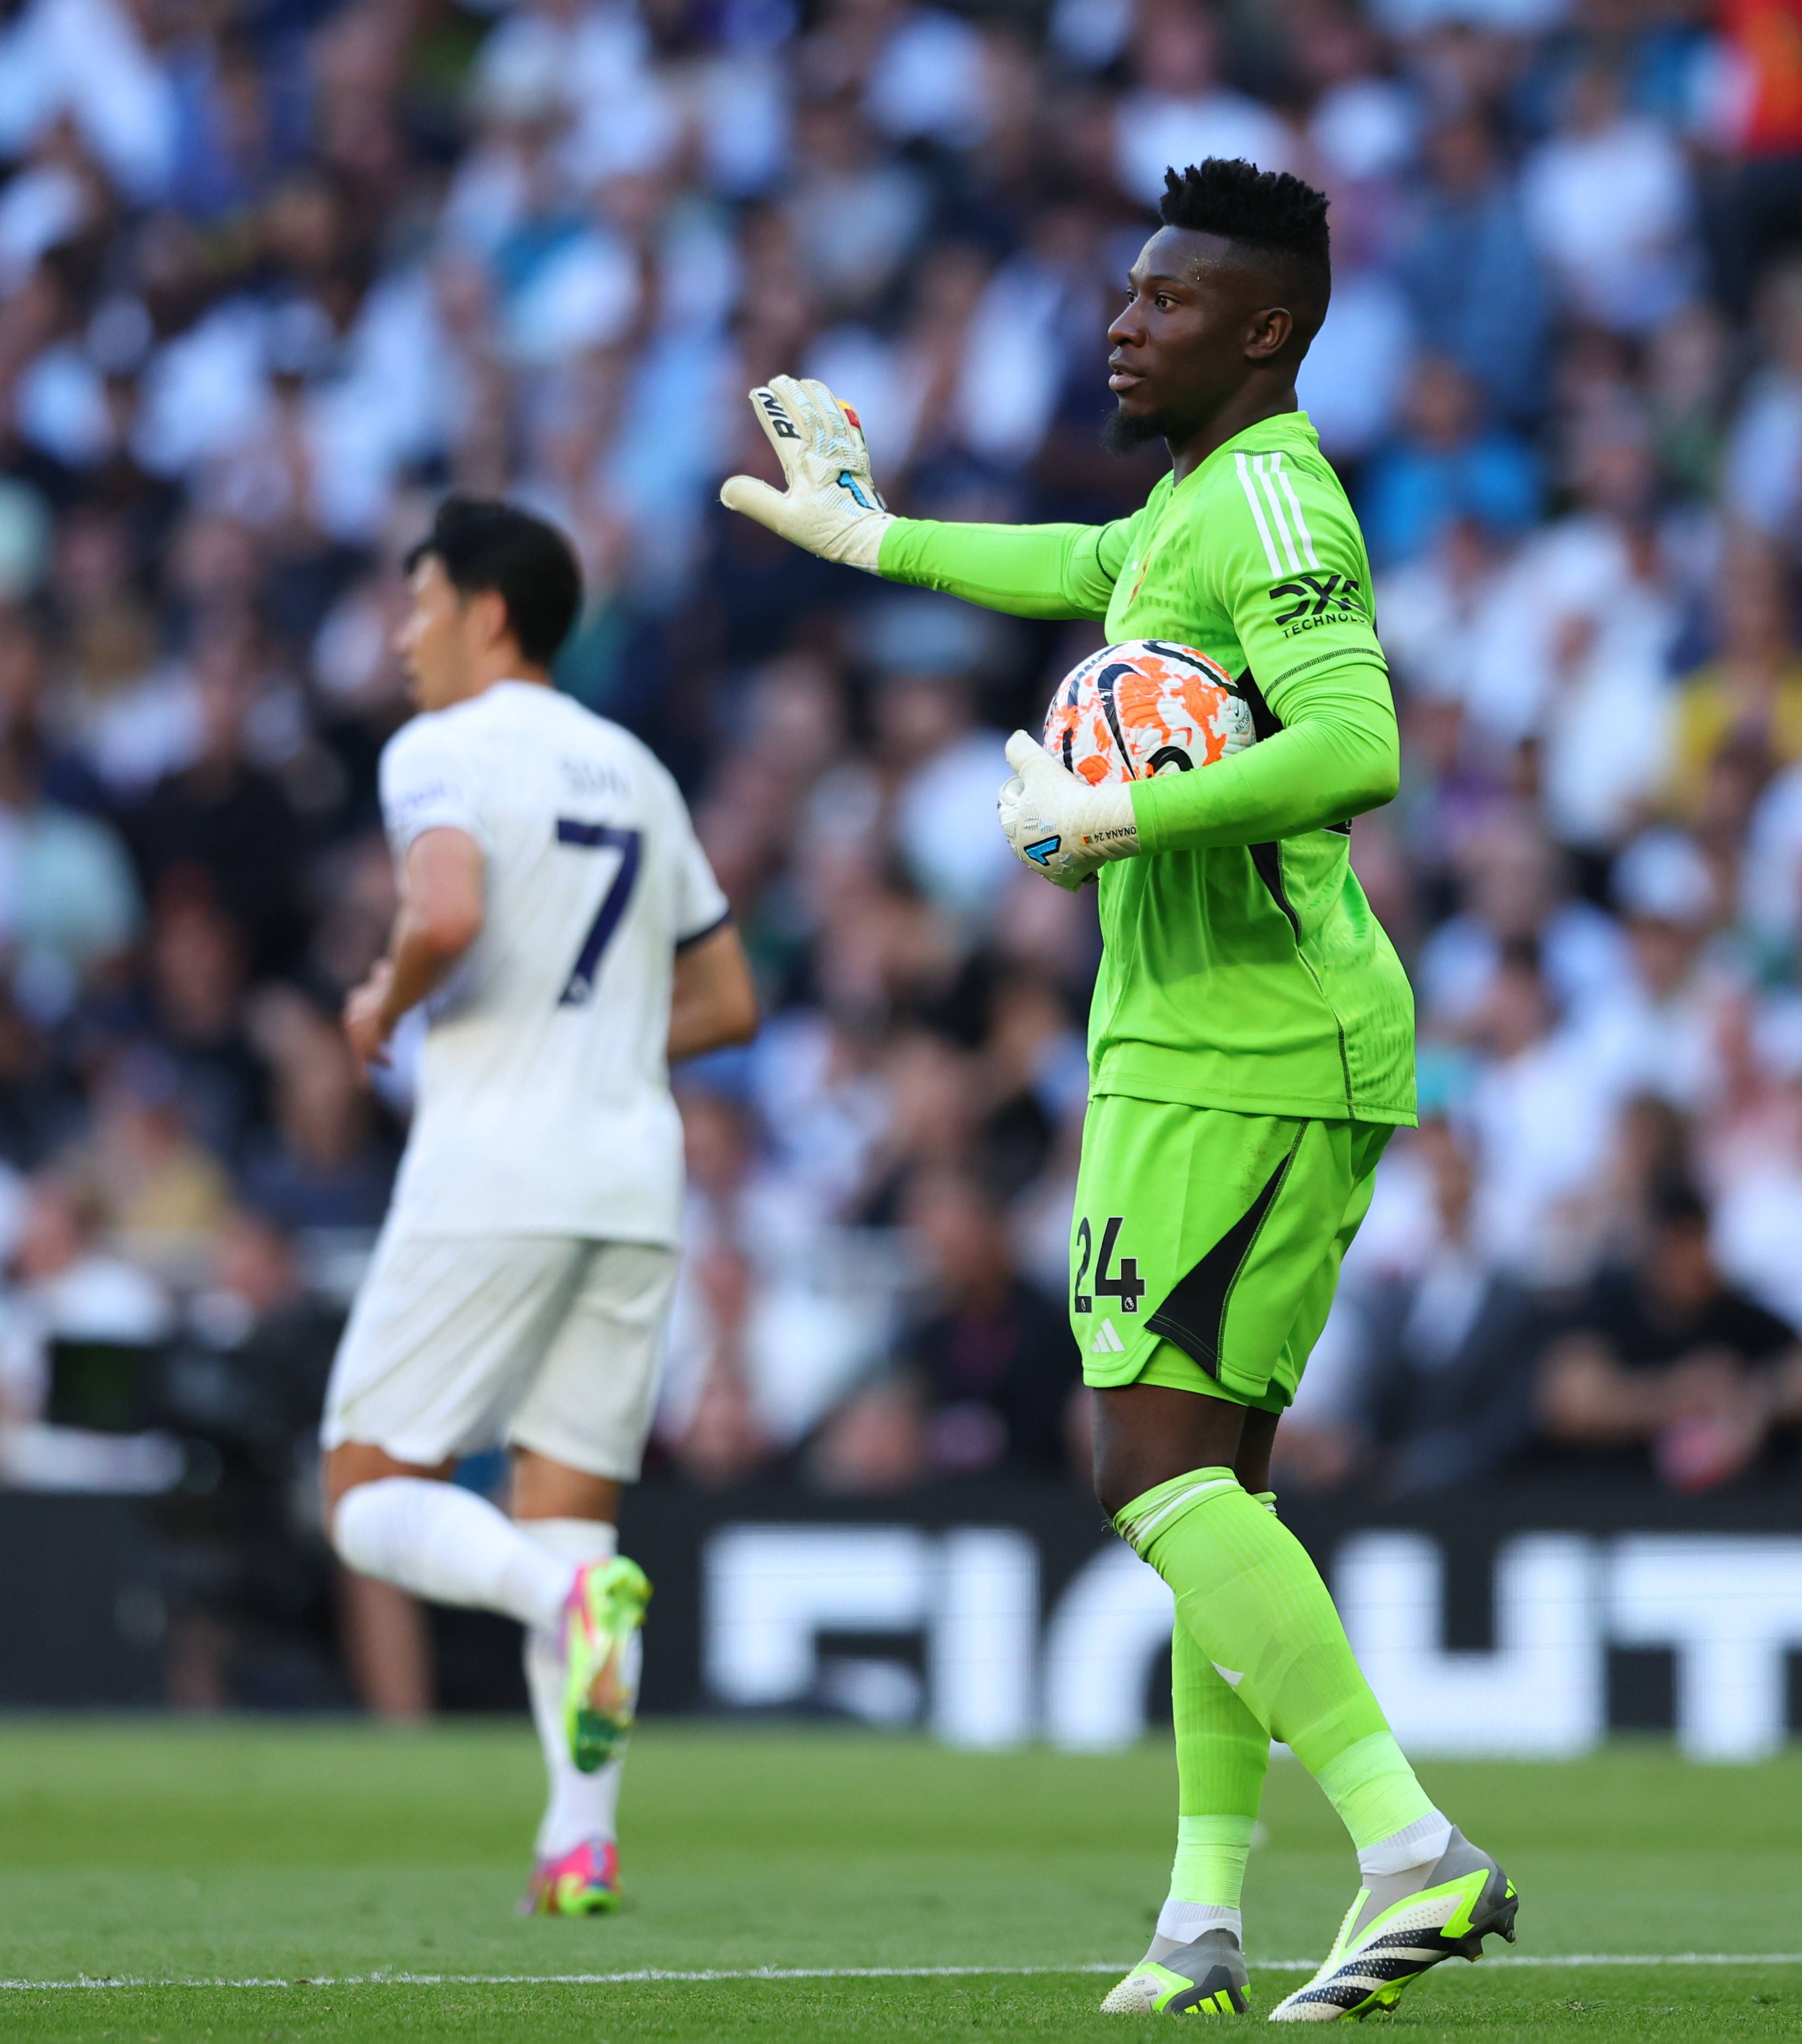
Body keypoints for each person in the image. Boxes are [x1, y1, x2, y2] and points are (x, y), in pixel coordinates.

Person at [724, 156, 1516, 2023]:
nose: (1122, 319)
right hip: (1192, 1039)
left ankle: (1412, 1849)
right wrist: (875, 539)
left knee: (1145, 1472)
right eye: (1125, 291)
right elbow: (1062, 570)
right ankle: (1203, 1913)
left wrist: (1123, 806)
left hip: (1254, 1042)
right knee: (1211, 1483)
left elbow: (1357, 741)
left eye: (1166, 301)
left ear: (1266, 331)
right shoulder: (1175, 512)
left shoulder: (1271, 492)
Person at [318, 498, 760, 1918]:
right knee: (568, 1504)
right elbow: (729, 998)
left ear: (485, 612)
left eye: (420, 602)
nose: (404, 635)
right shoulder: (635, 767)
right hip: (632, 1172)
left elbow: (442, 910)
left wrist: (381, 997)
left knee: (363, 1488)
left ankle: (554, 1610)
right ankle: (579, 1844)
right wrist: (606, 1039)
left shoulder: (439, 751)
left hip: (492, 1165)